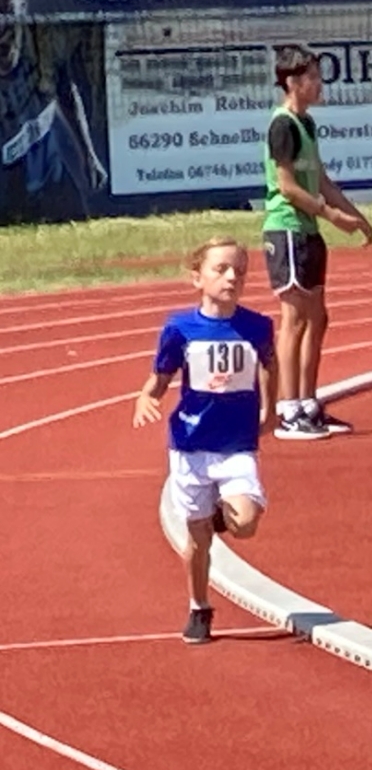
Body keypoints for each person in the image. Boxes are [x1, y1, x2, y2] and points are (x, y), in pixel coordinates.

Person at [133, 238, 277, 645]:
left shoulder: (256, 326)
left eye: (240, 271)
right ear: (197, 277)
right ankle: (199, 607)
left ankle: (220, 515)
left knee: (246, 523)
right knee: (197, 544)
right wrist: (146, 397)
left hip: (236, 445)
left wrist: (271, 406)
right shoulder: (180, 328)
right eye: (221, 270)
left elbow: (268, 364)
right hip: (190, 446)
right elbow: (161, 376)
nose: (232, 277)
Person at [262, 44, 372, 441]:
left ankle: (309, 403)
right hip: (287, 228)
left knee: (319, 318)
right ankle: (288, 409)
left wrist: (354, 214)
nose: (319, 84)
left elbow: (321, 179)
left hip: (308, 230)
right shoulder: (282, 126)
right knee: (294, 319)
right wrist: (331, 215)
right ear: (292, 82)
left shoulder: (307, 125)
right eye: (311, 77)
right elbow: (287, 187)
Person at [0, 0, 108, 225]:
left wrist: (88, 155)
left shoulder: (39, 41)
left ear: (21, 7)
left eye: (7, 10)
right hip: (8, 176)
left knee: (76, 229)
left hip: (49, 167)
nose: (2, 28)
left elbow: (63, 87)